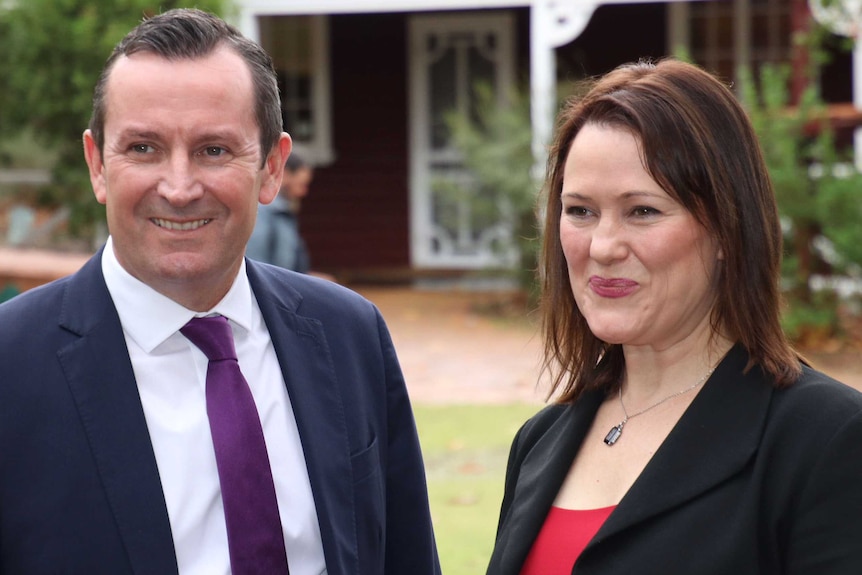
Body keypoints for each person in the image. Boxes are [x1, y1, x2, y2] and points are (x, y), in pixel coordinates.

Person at [0, 9, 440, 575]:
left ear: (271, 169)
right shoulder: (11, 366)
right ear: (97, 165)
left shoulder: (349, 335)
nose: (179, 188)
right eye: (143, 148)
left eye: (213, 150)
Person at [486, 58, 862, 575]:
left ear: (728, 229)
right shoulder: (539, 441)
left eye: (642, 211)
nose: (603, 246)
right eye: (580, 211)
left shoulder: (827, 440)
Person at [246, 153, 314, 274]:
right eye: (301, 185)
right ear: (285, 174)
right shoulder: (262, 212)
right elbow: (255, 262)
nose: (303, 192)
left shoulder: (283, 213)